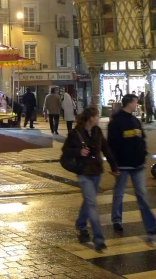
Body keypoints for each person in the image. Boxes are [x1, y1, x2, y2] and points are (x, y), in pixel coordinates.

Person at [62, 107, 119, 251]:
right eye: (97, 116)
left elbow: (106, 149)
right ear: (91, 118)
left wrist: (114, 166)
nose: (99, 118)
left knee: (89, 201)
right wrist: (78, 151)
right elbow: (65, 151)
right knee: (92, 204)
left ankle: (81, 225)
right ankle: (99, 239)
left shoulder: (97, 131)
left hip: (97, 171)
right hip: (84, 172)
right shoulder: (76, 133)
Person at [108, 94, 156, 236]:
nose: (137, 104)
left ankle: (151, 226)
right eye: (135, 102)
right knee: (119, 193)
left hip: (138, 164)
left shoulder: (135, 120)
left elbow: (142, 138)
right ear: (129, 104)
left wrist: (143, 152)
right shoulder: (116, 122)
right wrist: (114, 165)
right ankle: (117, 219)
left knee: (142, 195)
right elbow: (111, 144)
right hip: (123, 164)